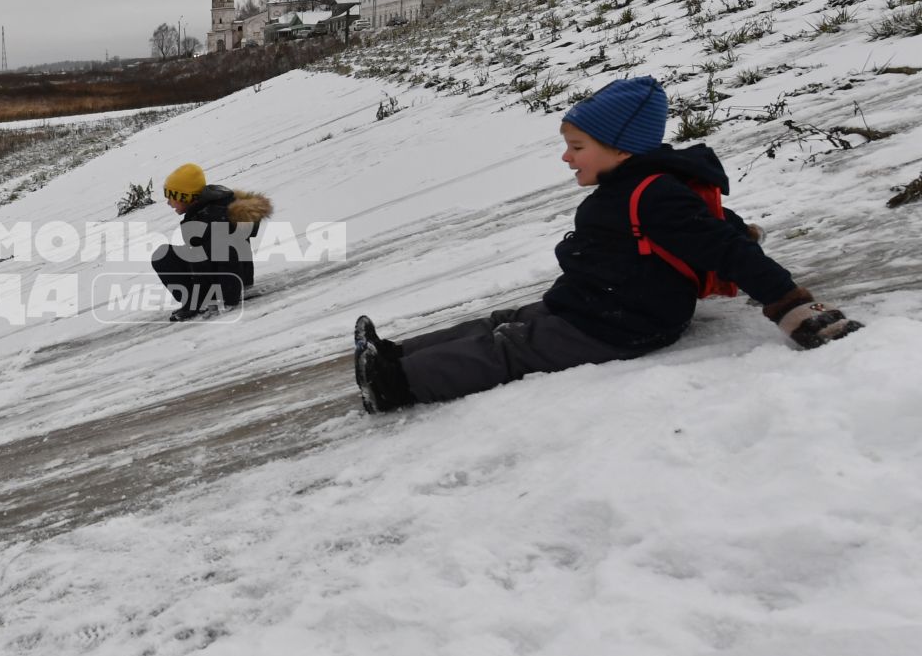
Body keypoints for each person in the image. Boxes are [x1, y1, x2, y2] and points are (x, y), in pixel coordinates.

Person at [353, 76, 864, 411]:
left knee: (509, 348)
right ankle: (393, 354)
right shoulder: (638, 186)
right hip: (593, 303)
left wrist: (794, 309)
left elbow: (728, 248)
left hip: (622, 325)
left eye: (577, 148)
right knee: (503, 320)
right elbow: (722, 224)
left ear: (622, 150)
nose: (567, 159)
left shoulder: (653, 193)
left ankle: (397, 384)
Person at [150, 162, 273, 320]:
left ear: (186, 197)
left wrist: (229, 300)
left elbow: (228, 257)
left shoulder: (211, 218)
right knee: (165, 255)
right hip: (227, 277)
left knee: (164, 256)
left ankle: (197, 302)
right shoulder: (206, 211)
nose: (168, 203)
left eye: (171, 197)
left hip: (229, 283)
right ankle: (198, 299)